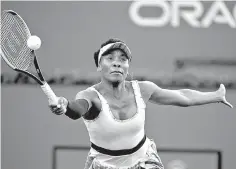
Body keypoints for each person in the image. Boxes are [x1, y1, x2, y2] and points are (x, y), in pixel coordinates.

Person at [49, 38, 233, 169]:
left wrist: (215, 96)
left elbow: (183, 96)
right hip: (103, 165)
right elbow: (77, 109)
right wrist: (65, 105)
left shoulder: (143, 89)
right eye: (110, 58)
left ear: (128, 67)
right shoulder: (91, 95)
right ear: (99, 65)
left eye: (123, 59)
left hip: (144, 160)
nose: (117, 63)